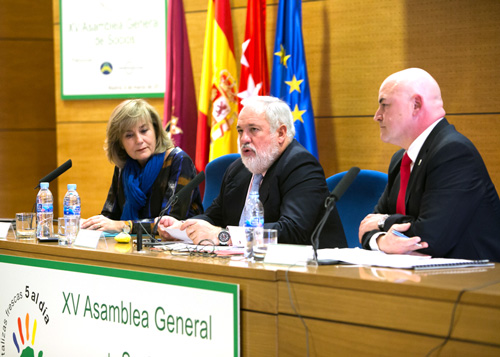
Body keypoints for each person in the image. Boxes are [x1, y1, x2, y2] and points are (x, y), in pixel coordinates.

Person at [158, 96, 346, 248]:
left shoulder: (301, 165)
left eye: (253, 130)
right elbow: (214, 217)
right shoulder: (238, 168)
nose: (244, 139)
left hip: (311, 274)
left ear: (281, 133)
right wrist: (181, 227)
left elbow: (292, 231)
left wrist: (224, 236)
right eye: (240, 131)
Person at [358, 68, 500, 261]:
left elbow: (429, 239)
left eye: (385, 105)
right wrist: (381, 240)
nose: (377, 116)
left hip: (472, 282)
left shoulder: (454, 152)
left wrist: (383, 223)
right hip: (422, 278)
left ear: (416, 105)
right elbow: (367, 226)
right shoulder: (401, 159)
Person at [82, 99, 203, 234]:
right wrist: (92, 224)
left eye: (144, 131)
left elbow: (169, 224)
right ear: (120, 143)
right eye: (129, 135)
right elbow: (110, 215)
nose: (139, 140)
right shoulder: (124, 167)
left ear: (156, 131)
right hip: (134, 245)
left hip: (182, 248)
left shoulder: (178, 161)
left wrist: (124, 225)